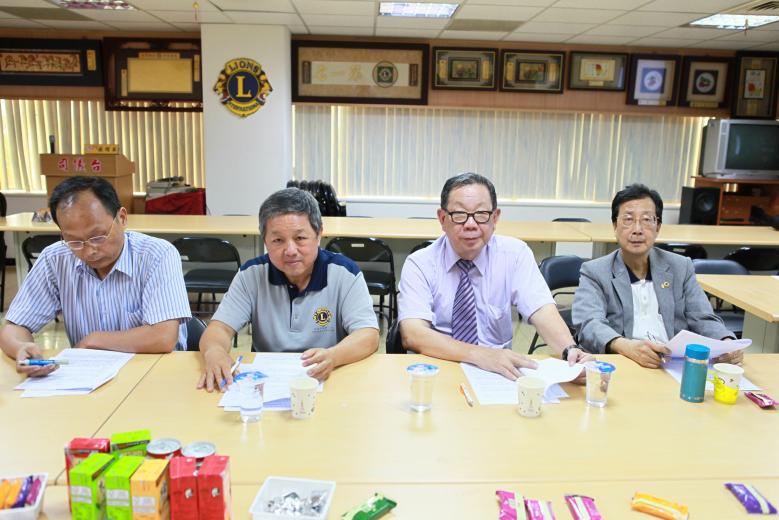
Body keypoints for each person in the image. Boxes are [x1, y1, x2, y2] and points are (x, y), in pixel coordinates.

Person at [398, 173, 593, 381]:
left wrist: (569, 349)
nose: (471, 224)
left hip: (497, 376)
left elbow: (541, 309)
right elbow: (413, 334)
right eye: (459, 214)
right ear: (442, 219)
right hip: (437, 370)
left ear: (495, 218)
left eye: (481, 214)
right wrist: (479, 355)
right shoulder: (420, 263)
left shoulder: (515, 255)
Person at [0, 176, 191, 377]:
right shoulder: (55, 259)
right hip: (88, 377)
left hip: (153, 373)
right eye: (74, 241)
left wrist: (94, 341)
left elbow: (163, 337)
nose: (89, 250)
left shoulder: (156, 255)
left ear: (122, 218)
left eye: (98, 237)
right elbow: (14, 327)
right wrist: (20, 347)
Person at [197, 188, 379, 391]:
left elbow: (368, 335)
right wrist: (215, 352)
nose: (290, 251)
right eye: (278, 240)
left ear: (318, 234)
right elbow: (219, 329)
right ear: (265, 241)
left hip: (327, 378)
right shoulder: (251, 274)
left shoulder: (344, 273)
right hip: (265, 383)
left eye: (300, 238)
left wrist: (334, 356)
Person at [572, 183, 743, 368]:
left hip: (673, 364)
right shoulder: (595, 271)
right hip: (623, 362)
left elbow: (703, 317)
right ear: (615, 225)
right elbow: (590, 324)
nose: (637, 229)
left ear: (658, 226)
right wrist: (626, 347)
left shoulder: (681, 267)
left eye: (647, 220)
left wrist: (726, 342)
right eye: (628, 219)